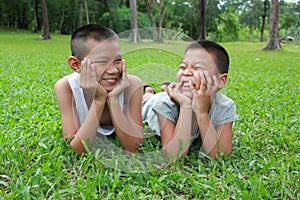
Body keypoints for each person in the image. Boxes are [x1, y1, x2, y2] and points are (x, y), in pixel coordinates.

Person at [54, 24, 144, 154]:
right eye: (102, 62)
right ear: (76, 65)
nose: (113, 70)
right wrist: (99, 100)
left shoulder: (132, 85)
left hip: (144, 106)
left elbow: (134, 148)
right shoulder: (66, 87)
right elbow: (74, 150)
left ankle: (148, 93)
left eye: (118, 60)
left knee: (149, 103)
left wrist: (113, 99)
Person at [143, 40, 236, 160]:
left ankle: (163, 88)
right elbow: (174, 157)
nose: (186, 72)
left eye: (197, 67)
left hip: (170, 98)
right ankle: (147, 92)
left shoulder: (225, 106)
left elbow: (220, 156)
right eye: (183, 67)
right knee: (147, 100)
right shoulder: (163, 104)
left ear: (220, 80)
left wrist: (201, 112)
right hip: (150, 106)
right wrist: (185, 106)